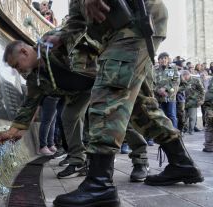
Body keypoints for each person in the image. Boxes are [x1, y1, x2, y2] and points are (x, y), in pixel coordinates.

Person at [42, 0, 203, 206]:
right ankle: (181, 162)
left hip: (135, 20)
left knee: (109, 94)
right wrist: (61, 36)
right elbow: (77, 16)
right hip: (121, 30)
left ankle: (100, 184)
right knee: (141, 107)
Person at [0, 39, 149, 181]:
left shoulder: (55, 43)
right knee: (69, 116)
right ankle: (77, 161)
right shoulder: (35, 78)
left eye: (16, 65)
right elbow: (28, 105)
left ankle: (140, 159)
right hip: (79, 92)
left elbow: (93, 41)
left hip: (103, 77)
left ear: (24, 52)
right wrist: (13, 131)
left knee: (116, 115)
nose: (17, 70)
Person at [154, 52, 180, 128]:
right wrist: (158, 90)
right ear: (158, 60)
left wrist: (165, 89)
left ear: (168, 60)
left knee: (171, 115)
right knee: (162, 116)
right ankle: (165, 135)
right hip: (159, 97)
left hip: (170, 97)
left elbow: (176, 81)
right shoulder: (154, 70)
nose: (163, 60)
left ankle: (174, 134)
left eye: (165, 58)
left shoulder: (172, 68)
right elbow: (151, 83)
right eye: (161, 58)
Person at [180, 70, 205, 135]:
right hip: (183, 102)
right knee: (183, 117)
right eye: (183, 76)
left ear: (188, 75)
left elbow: (202, 90)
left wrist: (201, 100)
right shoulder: (181, 81)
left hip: (193, 101)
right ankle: (184, 129)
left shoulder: (196, 80)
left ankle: (191, 130)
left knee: (192, 117)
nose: (185, 77)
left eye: (185, 75)